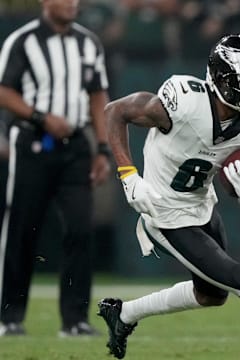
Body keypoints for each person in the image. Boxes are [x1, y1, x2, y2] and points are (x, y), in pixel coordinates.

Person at [98, 33, 240, 359]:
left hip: (202, 207)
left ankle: (122, 314)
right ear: (223, 79)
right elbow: (114, 112)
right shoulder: (184, 102)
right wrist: (128, 175)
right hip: (164, 213)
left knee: (211, 295)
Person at [0, 0, 110, 336]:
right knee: (22, 229)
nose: (72, 4)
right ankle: (9, 317)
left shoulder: (88, 41)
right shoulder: (23, 40)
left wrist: (102, 148)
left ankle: (75, 320)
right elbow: (4, 90)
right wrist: (40, 117)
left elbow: (97, 95)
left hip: (76, 146)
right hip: (33, 143)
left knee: (80, 228)